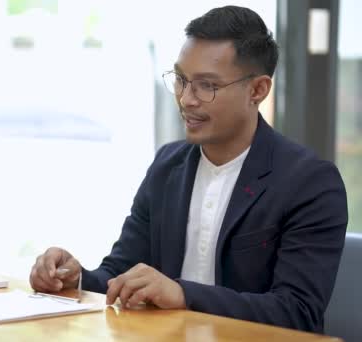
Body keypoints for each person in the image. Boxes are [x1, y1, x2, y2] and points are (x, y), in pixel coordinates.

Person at [29, 5, 348, 333]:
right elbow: (122, 272)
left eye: (206, 86)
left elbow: (298, 311)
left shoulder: (310, 182)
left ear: (258, 90)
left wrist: (183, 294)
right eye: (181, 80)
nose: (186, 99)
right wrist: (75, 277)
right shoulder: (168, 165)